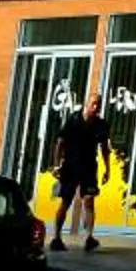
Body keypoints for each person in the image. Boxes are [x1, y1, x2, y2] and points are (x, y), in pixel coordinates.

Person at [52, 89, 109, 252]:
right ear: (86, 104)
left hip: (89, 167)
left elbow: (104, 148)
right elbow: (60, 142)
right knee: (66, 201)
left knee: (89, 200)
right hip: (71, 166)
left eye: (99, 105)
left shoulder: (100, 124)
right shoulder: (74, 119)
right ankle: (57, 237)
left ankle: (89, 237)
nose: (96, 107)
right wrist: (56, 164)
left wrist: (107, 169)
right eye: (94, 104)